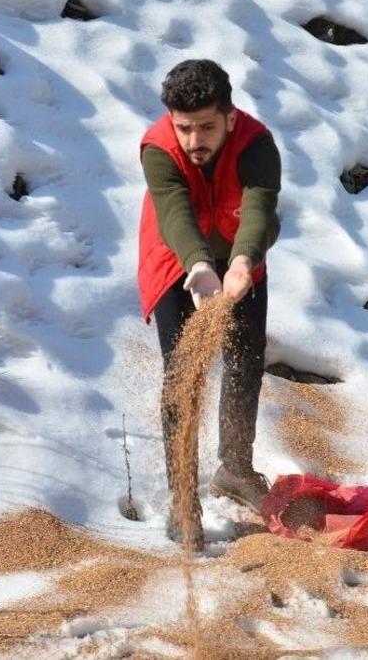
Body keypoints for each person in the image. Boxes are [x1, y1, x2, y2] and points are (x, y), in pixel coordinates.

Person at [137, 59, 281, 549]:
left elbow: (259, 211)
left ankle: (235, 469)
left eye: (206, 127)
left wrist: (240, 264)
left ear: (230, 118)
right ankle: (183, 498)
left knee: (246, 361)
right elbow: (173, 212)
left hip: (242, 249)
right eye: (184, 128)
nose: (194, 140)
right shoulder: (158, 149)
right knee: (183, 372)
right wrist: (199, 269)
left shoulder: (258, 145)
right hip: (178, 256)